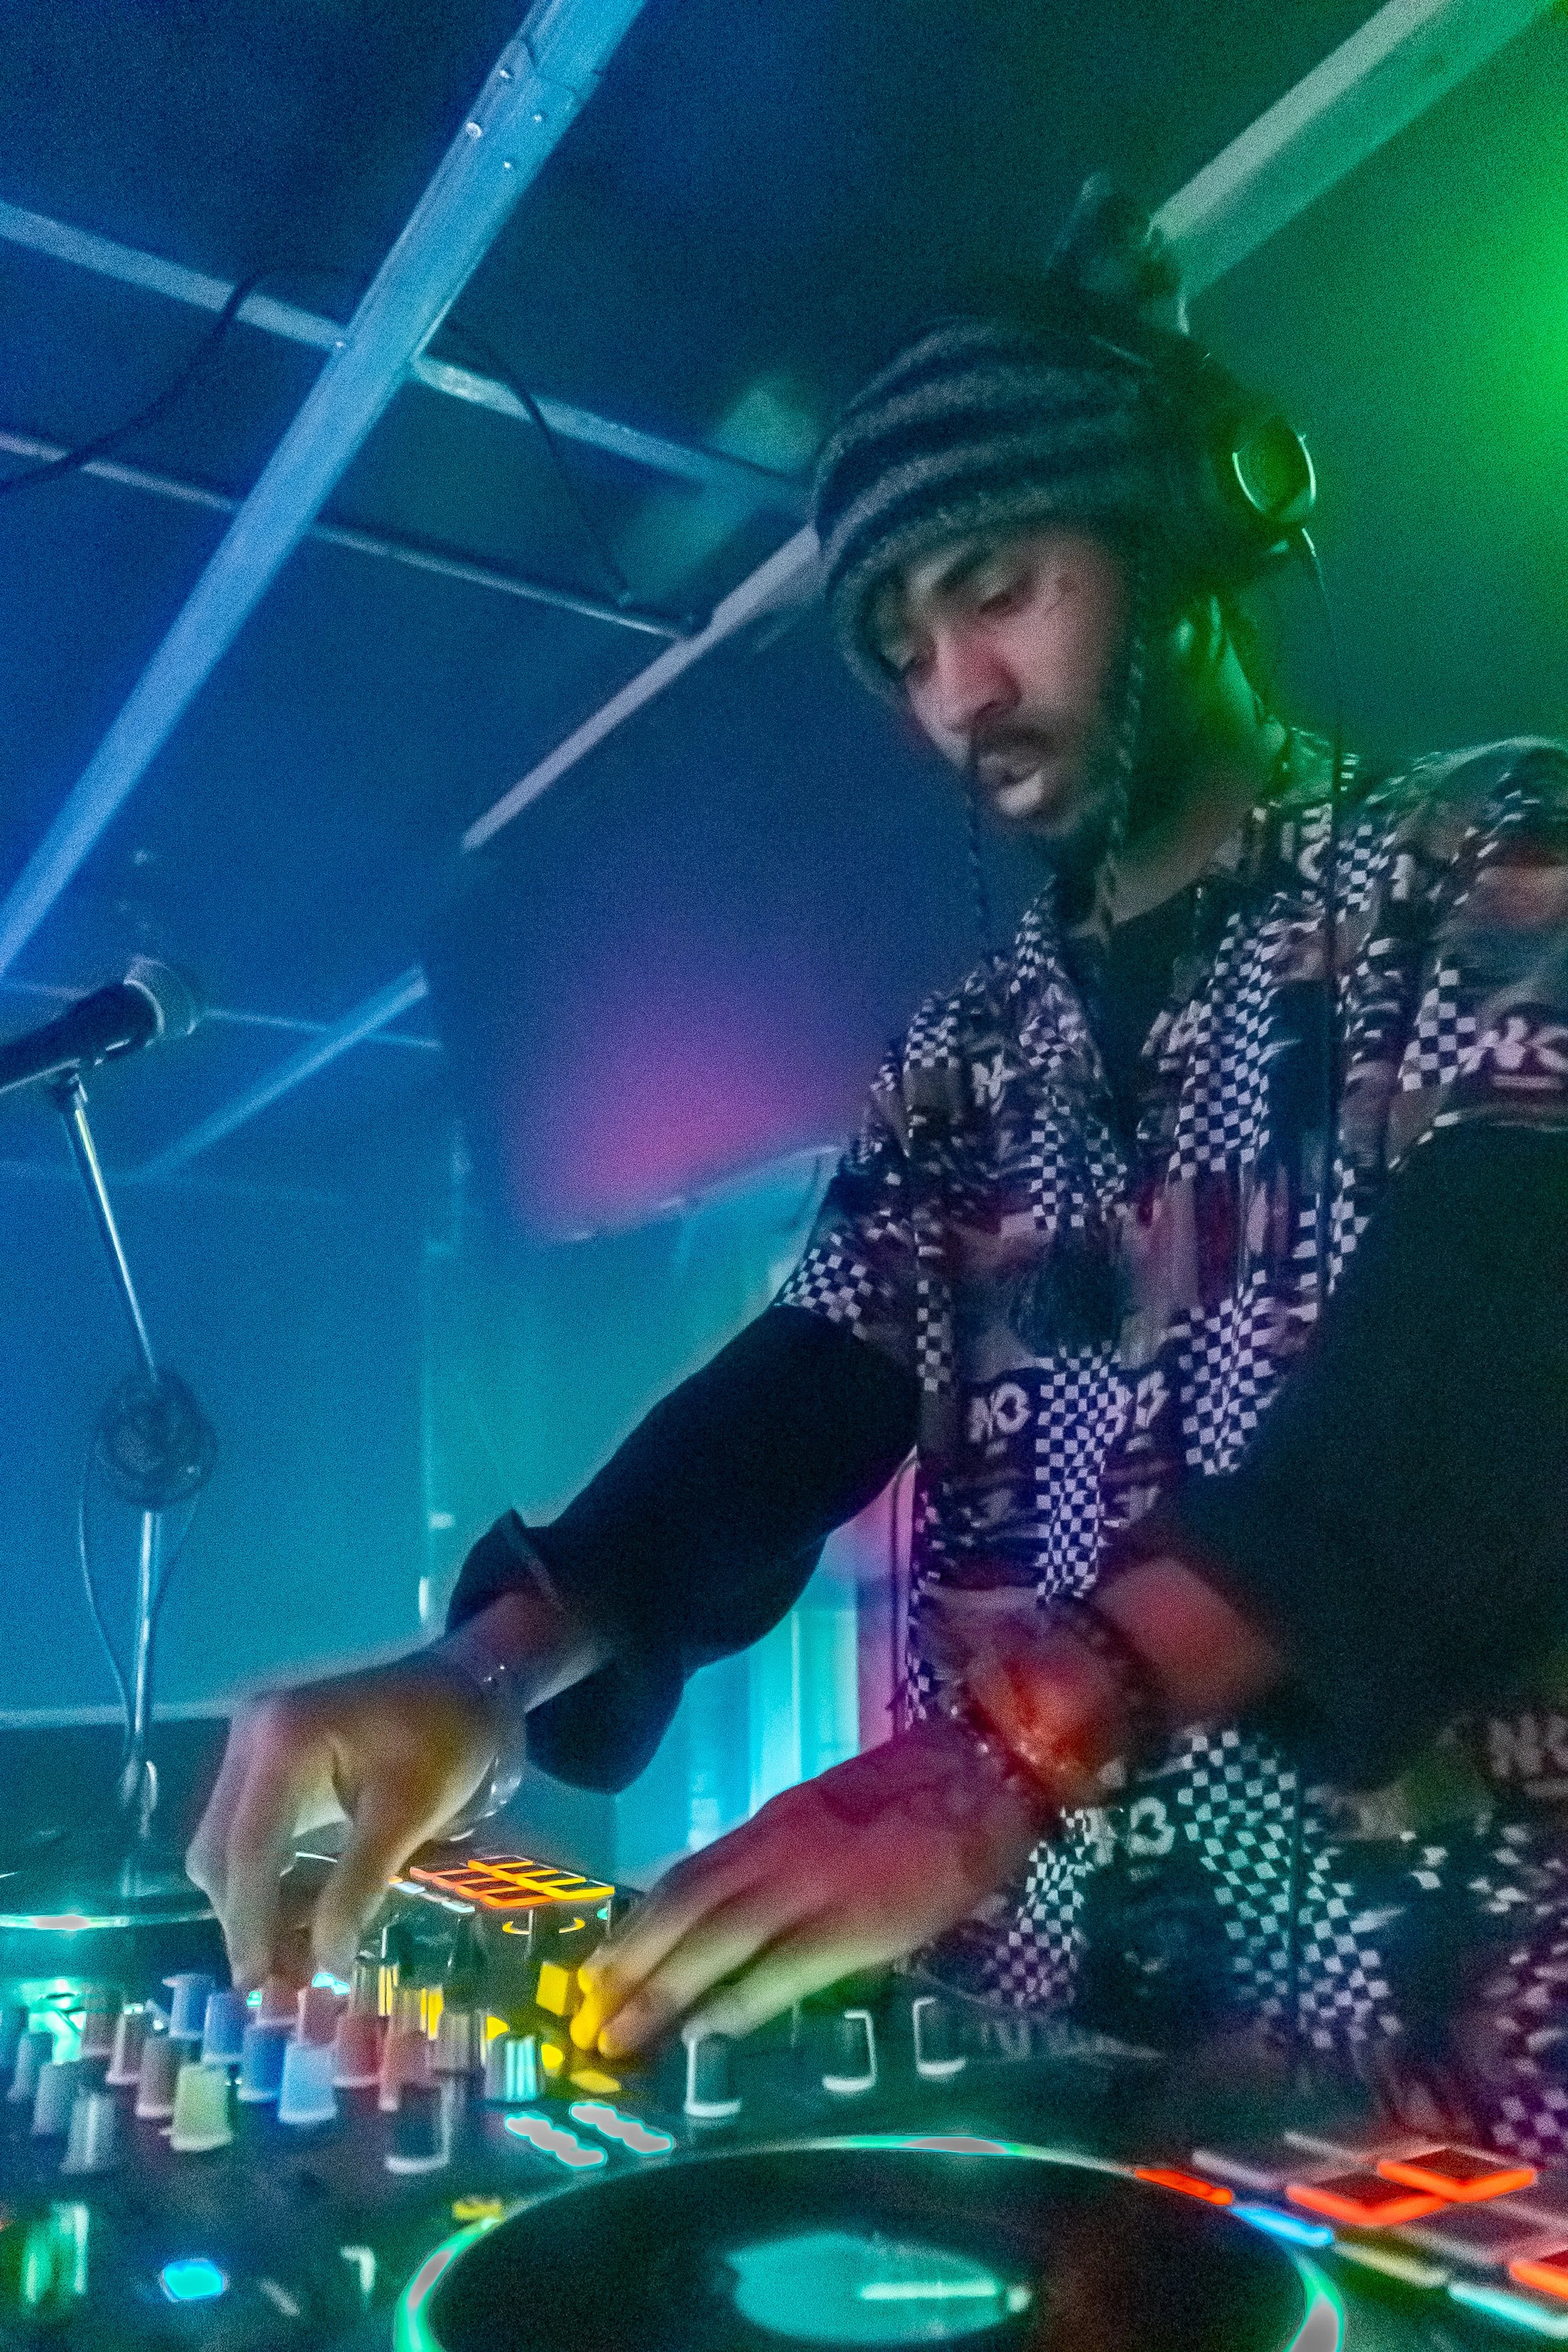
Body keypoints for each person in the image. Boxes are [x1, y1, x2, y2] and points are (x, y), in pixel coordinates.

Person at [188, 181, 1568, 2153]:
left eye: (997, 589)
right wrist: (486, 1660)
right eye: (904, 648)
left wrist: (1014, 1747)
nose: (956, 698)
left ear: (1182, 527)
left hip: (1443, 2080)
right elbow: (797, 1398)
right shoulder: (968, 1055)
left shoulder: (1489, 860)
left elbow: (1505, 1343)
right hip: (1061, 2071)